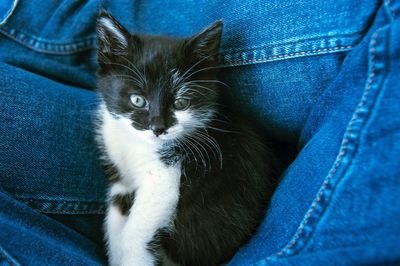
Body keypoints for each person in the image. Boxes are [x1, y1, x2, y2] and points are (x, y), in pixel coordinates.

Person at [0, 0, 399, 265]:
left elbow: (158, 182)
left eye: (176, 104)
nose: (157, 126)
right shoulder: (118, 107)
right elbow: (124, 187)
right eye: (140, 103)